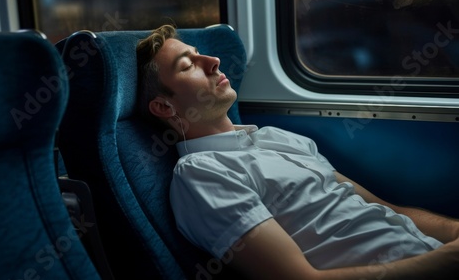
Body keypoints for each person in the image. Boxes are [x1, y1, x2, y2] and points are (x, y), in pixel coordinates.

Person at [136, 24, 459, 279]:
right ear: (164, 106)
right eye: (188, 65)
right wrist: (444, 261)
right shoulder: (202, 173)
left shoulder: (276, 137)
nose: (213, 61)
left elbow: (390, 210)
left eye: (200, 53)